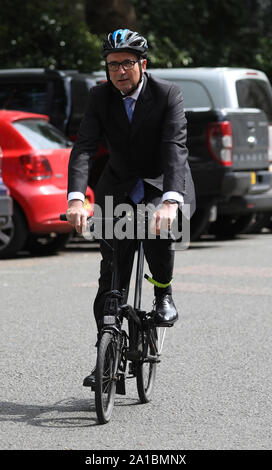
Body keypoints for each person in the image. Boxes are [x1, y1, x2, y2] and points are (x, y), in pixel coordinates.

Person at [66, 29, 196, 386]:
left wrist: (171, 202)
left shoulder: (167, 94)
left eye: (126, 63)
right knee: (110, 279)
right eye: (112, 65)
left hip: (161, 183)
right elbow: (84, 148)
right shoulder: (99, 96)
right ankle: (104, 358)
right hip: (118, 187)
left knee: (158, 230)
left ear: (143, 64)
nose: (120, 71)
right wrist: (77, 197)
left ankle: (163, 293)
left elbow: (174, 148)